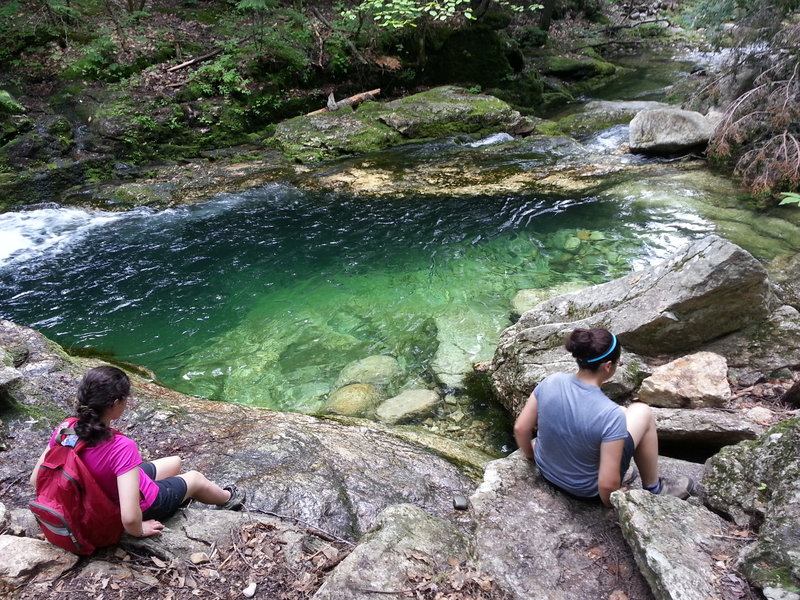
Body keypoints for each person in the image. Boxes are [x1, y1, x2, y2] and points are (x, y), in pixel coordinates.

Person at [30, 366, 245, 538]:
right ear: (115, 404)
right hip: (137, 503)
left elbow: (36, 480)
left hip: (97, 487)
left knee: (174, 462)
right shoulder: (121, 447)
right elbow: (130, 518)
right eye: (125, 399)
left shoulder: (66, 428)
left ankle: (179, 492)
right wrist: (138, 529)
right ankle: (229, 498)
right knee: (196, 479)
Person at [513, 328, 693, 508]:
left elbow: (520, 429)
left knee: (624, 412)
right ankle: (654, 488)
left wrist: (533, 457)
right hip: (587, 491)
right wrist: (611, 502)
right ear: (608, 366)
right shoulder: (609, 414)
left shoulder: (551, 381)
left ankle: (608, 465)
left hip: (547, 471)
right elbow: (607, 485)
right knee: (641, 411)